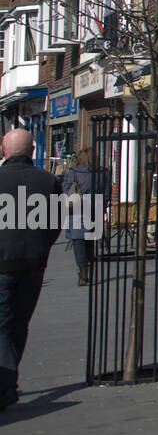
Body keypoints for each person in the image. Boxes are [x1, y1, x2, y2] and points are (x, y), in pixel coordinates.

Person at [0, 129, 63, 411]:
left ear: (3, 150)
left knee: (2, 323)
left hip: (2, 262)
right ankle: (8, 382)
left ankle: (5, 385)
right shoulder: (48, 181)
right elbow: (54, 224)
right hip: (34, 263)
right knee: (19, 322)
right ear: (33, 150)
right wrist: (41, 247)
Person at [63, 148, 96, 286]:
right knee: (90, 241)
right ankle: (88, 267)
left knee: (78, 241)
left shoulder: (73, 172)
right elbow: (106, 192)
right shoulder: (101, 173)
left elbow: (65, 190)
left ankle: (83, 272)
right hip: (95, 210)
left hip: (77, 210)